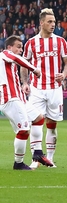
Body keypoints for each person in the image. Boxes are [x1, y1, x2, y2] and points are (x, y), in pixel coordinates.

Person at [21, 8, 67, 168]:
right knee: (36, 122)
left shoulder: (60, 41)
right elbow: (24, 66)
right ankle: (36, 159)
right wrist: (25, 82)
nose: (52, 25)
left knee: (52, 124)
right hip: (37, 89)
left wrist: (63, 75)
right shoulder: (31, 43)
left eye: (54, 22)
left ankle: (49, 158)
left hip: (55, 89)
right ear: (41, 22)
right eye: (49, 22)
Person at [0, 36, 41, 170]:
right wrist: (34, 69)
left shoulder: (9, 62)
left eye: (22, 47)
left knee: (38, 118)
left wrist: (24, 85)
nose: (21, 50)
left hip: (19, 98)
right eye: (18, 46)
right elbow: (18, 59)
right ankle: (18, 163)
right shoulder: (5, 54)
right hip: (11, 98)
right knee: (23, 130)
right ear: (9, 47)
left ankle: (37, 152)